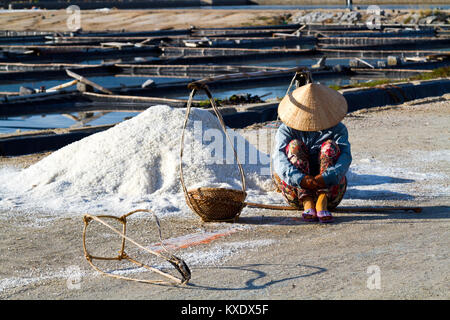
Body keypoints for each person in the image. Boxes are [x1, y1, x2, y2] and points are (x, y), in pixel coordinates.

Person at [272, 83, 352, 223]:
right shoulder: (287, 130)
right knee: (294, 146)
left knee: (329, 146)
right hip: (296, 192)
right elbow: (279, 159)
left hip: (331, 190)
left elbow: (345, 157)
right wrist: (300, 179)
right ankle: (308, 201)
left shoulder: (338, 129)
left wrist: (326, 178)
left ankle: (322, 200)